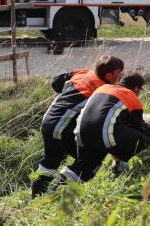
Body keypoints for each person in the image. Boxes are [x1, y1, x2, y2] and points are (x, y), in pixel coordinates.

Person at [32, 55, 124, 197]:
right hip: (62, 127)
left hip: (48, 122)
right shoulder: (104, 91)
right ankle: (54, 194)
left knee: (51, 161)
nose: (121, 75)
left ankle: (36, 197)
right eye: (119, 72)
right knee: (90, 162)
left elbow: (55, 83)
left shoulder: (83, 73)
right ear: (108, 75)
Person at [60, 72, 150, 184]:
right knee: (143, 142)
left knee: (85, 170)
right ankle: (141, 178)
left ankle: (53, 190)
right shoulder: (131, 97)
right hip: (103, 133)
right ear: (136, 88)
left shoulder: (103, 88)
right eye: (140, 89)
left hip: (81, 132)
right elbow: (138, 127)